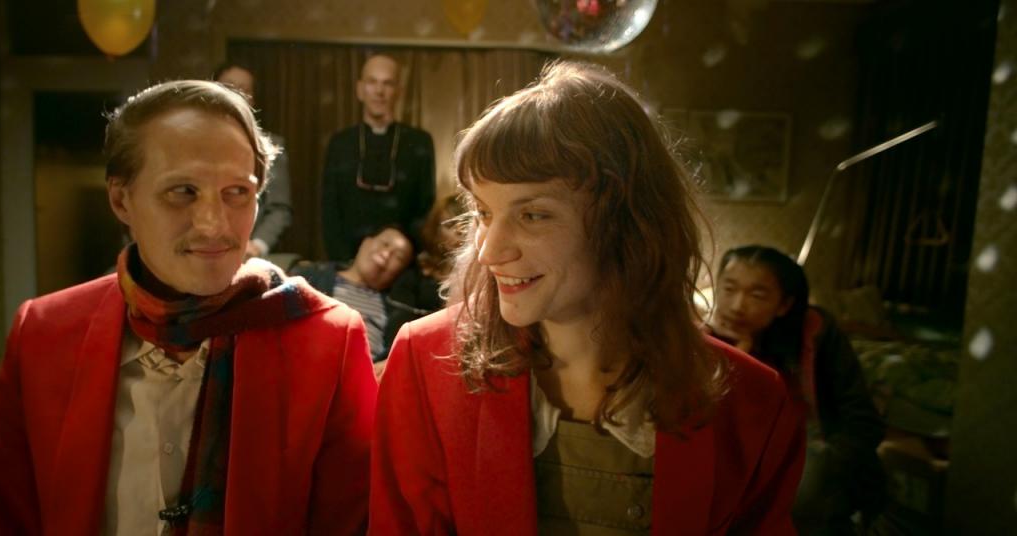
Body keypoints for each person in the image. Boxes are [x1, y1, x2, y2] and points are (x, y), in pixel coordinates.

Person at [369, 61, 807, 535]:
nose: (489, 251)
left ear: (627, 223)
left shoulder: (752, 402)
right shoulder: (425, 363)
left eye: (533, 215)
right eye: (483, 212)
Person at [0, 80, 376, 535]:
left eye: (237, 192)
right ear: (121, 200)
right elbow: (8, 519)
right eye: (182, 191)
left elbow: (350, 522)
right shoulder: (44, 333)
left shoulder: (325, 339)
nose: (213, 225)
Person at [706, 245, 886, 535]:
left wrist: (825, 459)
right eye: (729, 289)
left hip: (814, 457)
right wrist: (738, 356)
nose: (737, 305)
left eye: (757, 295)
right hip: (745, 460)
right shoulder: (707, 337)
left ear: (784, 305)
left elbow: (862, 422)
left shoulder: (815, 332)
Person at [321, 53, 436, 261]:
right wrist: (343, 262)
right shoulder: (340, 142)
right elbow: (330, 209)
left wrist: (401, 257)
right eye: (372, 82)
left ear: (398, 91)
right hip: (346, 262)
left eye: (387, 83)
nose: (379, 91)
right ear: (360, 90)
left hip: (401, 262)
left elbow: (425, 207)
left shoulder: (419, 142)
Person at [292, 226, 443, 375]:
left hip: (363, 379)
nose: (386, 254)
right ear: (366, 241)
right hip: (308, 365)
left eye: (398, 257)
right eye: (385, 244)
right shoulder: (311, 276)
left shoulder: (398, 311)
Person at [213, 61, 293, 259]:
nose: (236, 94)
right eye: (228, 87)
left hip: (246, 253)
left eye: (244, 90)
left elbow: (279, 209)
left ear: (253, 99)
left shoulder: (270, 146)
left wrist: (257, 245)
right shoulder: (191, 143)